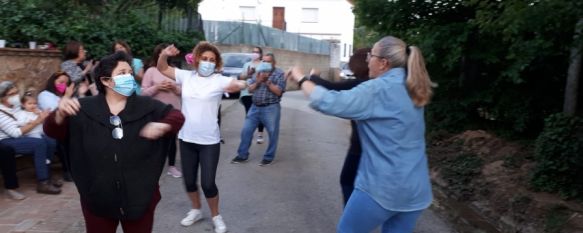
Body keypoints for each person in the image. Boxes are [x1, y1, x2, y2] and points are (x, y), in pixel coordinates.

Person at [289, 36, 435, 233]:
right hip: (416, 190)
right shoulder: (412, 85)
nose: (367, 60)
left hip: (382, 189)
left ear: (383, 63)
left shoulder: (377, 89)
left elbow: (328, 101)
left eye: (370, 56)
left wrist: (301, 78)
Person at [43, 51, 185, 233]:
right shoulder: (83, 108)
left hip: (140, 194)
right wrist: (59, 114)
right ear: (106, 81)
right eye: (122, 73)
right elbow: (53, 131)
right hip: (97, 195)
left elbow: (176, 116)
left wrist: (164, 126)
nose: (129, 77)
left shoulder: (147, 106)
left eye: (129, 72)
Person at [157, 42, 247, 233]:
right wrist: (164, 54)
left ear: (217, 64)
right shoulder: (186, 76)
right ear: (197, 59)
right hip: (187, 138)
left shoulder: (218, 80)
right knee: (189, 181)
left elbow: (236, 84)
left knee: (208, 183)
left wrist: (242, 83)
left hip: (209, 141)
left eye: (212, 60)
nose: (208, 62)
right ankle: (196, 209)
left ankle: (216, 216)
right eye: (204, 59)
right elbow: (162, 68)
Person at [308, 48, 371, 205]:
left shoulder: (362, 85)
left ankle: (353, 218)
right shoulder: (382, 84)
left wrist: (311, 76)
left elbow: (330, 88)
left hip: (360, 147)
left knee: (347, 181)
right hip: (375, 147)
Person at [0, 81, 60, 194]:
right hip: (6, 141)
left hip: (23, 134)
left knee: (50, 141)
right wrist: (38, 120)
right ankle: (43, 182)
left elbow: (26, 114)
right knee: (39, 143)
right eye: (11, 94)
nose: (16, 96)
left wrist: (35, 112)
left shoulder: (15, 106)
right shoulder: (1, 112)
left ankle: (47, 174)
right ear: (3, 97)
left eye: (16, 92)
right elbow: (15, 133)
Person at [231, 53, 286, 166]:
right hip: (255, 107)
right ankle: (242, 155)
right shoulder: (258, 72)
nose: (265, 64)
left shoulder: (280, 73)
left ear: (274, 63)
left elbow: (279, 92)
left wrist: (267, 82)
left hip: (271, 108)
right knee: (246, 131)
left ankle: (269, 157)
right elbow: (250, 89)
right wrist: (258, 81)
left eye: (268, 61)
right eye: (263, 61)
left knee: (272, 133)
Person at [141, 43, 182, 178]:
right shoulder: (151, 71)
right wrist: (157, 87)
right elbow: (143, 93)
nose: (163, 55)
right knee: (154, 139)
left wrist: (174, 88)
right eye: (161, 52)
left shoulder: (175, 71)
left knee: (171, 139)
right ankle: (151, 165)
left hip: (173, 110)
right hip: (155, 111)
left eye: (166, 52)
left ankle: (171, 166)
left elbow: (184, 92)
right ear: (157, 54)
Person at [239, 46, 265, 144]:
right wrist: (248, 74)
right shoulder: (247, 64)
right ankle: (248, 134)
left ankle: (260, 134)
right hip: (246, 93)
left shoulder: (264, 64)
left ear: (261, 54)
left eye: (257, 52)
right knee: (249, 114)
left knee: (260, 114)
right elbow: (241, 77)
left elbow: (266, 77)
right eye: (253, 52)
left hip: (260, 93)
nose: (255, 54)